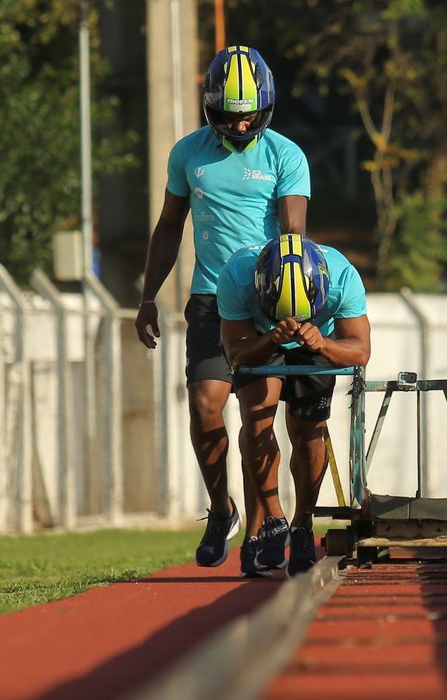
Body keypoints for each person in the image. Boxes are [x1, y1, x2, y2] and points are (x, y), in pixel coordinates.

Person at [134, 46, 311, 570]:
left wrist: (296, 303)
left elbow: (295, 233)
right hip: (211, 299)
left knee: (258, 422)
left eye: (249, 111)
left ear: (265, 105)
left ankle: (260, 536)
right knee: (206, 407)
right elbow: (169, 228)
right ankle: (221, 509)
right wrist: (147, 297)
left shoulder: (286, 156)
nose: (240, 120)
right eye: (230, 111)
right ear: (211, 105)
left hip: (269, 300)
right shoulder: (188, 153)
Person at [217, 233, 370, 577]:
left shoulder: (343, 277)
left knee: (307, 431)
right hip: (260, 337)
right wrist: (271, 335)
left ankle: (302, 523)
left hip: (319, 341)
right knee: (257, 420)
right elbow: (237, 354)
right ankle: (275, 517)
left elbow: (360, 351)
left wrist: (323, 343)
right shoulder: (237, 276)